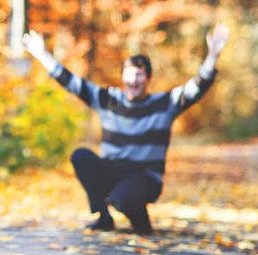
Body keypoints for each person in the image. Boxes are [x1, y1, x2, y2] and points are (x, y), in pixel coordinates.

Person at [22, 24, 230, 234]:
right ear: (122, 77)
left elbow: (197, 87)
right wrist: (42, 54)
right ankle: (103, 217)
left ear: (148, 78)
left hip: (146, 177)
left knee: (122, 199)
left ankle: (140, 222)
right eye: (128, 75)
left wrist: (213, 55)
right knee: (81, 156)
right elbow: (71, 82)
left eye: (138, 75)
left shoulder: (165, 104)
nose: (133, 80)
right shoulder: (108, 100)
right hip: (113, 169)